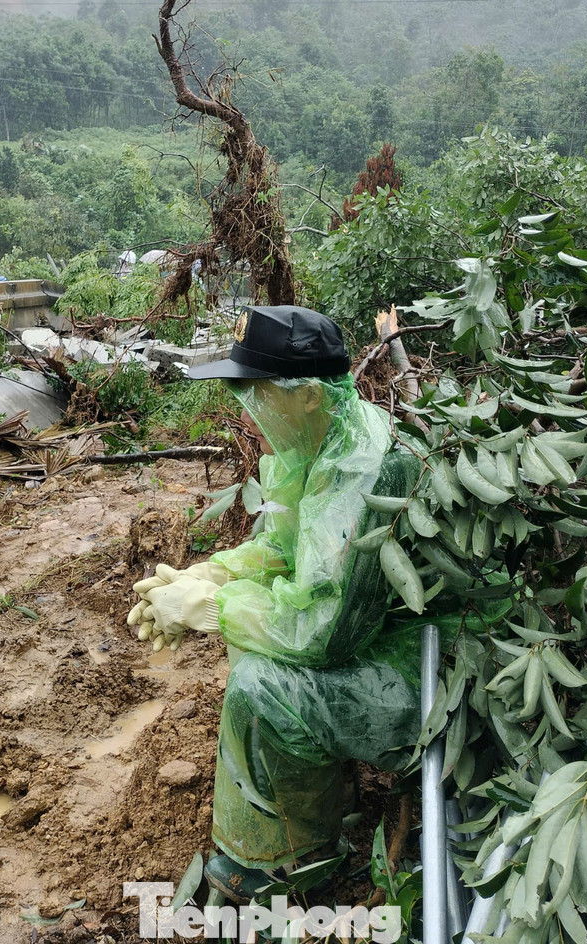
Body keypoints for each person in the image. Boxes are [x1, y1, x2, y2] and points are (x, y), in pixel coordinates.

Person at [127, 305, 431, 902]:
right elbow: (284, 543)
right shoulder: (315, 442)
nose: (251, 407)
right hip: (368, 638)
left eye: (258, 392)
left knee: (260, 686)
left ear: (309, 395)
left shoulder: (361, 467)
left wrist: (210, 609)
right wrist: (208, 572)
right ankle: (316, 803)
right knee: (256, 647)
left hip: (416, 677)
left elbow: (320, 632)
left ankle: (292, 858)